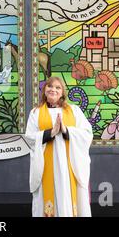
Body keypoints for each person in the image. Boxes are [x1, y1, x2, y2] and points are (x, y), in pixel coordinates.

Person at [25, 76, 93, 217]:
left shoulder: (74, 111)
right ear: (44, 90)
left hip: (69, 167)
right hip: (45, 167)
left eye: (58, 87)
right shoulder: (35, 113)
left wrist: (66, 130)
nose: (53, 90)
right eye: (50, 86)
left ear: (62, 92)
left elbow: (86, 135)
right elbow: (30, 138)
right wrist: (51, 132)